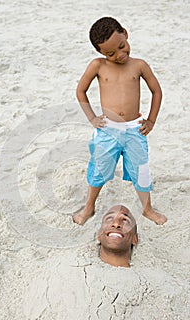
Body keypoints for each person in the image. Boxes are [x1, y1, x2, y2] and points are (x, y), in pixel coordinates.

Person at [73, 17, 167, 226]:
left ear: (125, 33)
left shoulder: (139, 65)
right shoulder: (98, 66)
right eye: (111, 53)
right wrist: (92, 117)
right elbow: (81, 90)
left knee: (140, 169)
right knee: (99, 168)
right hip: (108, 130)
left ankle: (147, 208)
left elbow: (156, 91)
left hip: (135, 129)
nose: (120, 55)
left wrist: (151, 120)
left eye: (122, 47)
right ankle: (89, 207)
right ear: (100, 53)